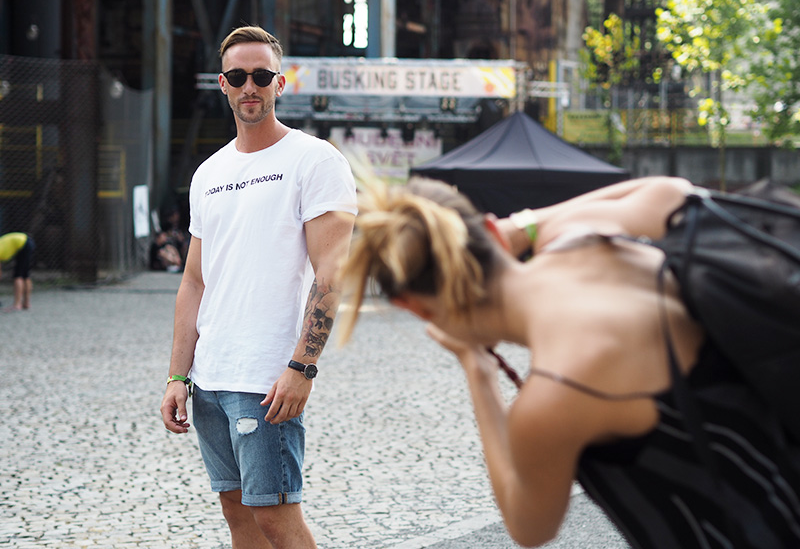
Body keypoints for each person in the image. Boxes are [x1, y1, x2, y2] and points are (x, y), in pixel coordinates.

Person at [338, 175, 800, 549]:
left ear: (416, 308)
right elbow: (669, 192)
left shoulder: (558, 395)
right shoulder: (582, 233)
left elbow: (529, 526)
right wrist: (523, 226)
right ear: (490, 232)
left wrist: (478, 373)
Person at [160, 25, 357, 549]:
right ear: (222, 84)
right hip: (210, 379)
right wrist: (178, 374)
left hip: (266, 378)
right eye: (239, 76)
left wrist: (302, 367)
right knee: (238, 515)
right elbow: (194, 282)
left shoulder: (314, 160)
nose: (250, 86)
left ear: (280, 83)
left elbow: (331, 273)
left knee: (275, 517)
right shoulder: (208, 173)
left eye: (262, 76)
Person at [0, 232, 35, 311]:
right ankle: (26, 303)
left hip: (23, 243)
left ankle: (17, 305)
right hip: (28, 241)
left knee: (18, 275)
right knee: (25, 275)